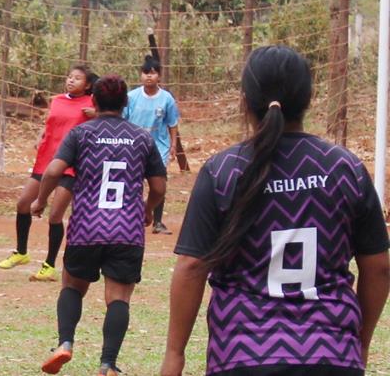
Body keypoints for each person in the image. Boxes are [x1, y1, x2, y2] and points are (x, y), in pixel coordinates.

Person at [161, 45, 390, 376]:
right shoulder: (345, 168)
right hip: (331, 357)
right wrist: (359, 342)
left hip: (242, 356)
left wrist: (174, 354)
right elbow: (379, 267)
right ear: (308, 99)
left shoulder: (222, 170)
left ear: (245, 101)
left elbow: (192, 265)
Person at [38, 75, 167, 376]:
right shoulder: (142, 137)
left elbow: (54, 170)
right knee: (119, 298)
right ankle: (107, 363)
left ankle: (65, 343)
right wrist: (148, 210)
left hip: (87, 226)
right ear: (126, 103)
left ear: (93, 101)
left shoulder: (81, 133)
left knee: (72, 286)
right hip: (127, 230)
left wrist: (41, 200)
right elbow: (159, 186)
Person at [0, 65, 98, 282]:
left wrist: (96, 114)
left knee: (55, 215)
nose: (71, 81)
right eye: (69, 77)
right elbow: (52, 123)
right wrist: (41, 136)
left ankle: (49, 265)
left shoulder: (92, 105)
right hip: (46, 160)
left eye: (78, 78)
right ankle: (21, 252)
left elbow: (109, 121)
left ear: (88, 85)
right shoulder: (58, 100)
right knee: (23, 203)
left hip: (71, 165)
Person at [123, 55, 179, 234]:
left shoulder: (167, 98)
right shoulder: (131, 97)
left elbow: (172, 123)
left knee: (159, 183)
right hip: (134, 146)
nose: (149, 76)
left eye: (153, 73)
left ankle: (158, 221)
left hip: (158, 147)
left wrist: (173, 145)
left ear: (159, 76)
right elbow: (123, 120)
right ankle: (132, 216)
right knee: (134, 180)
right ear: (141, 75)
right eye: (145, 73)